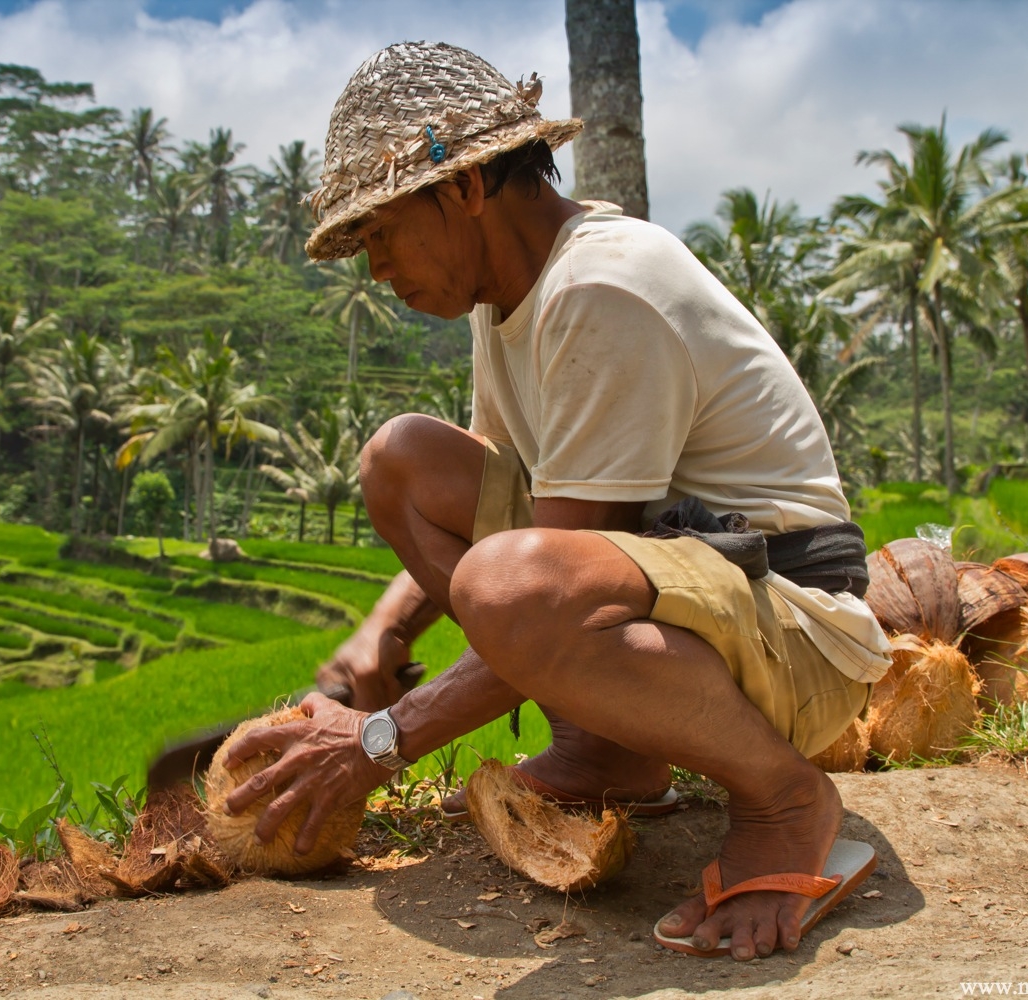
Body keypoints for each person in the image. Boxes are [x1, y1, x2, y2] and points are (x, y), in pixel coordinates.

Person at [221, 40, 892, 962]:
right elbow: (515, 502)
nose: (376, 266)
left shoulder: (604, 286)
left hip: (798, 633)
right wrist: (383, 637)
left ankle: (783, 801)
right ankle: (611, 748)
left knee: (514, 586)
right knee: (403, 462)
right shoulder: (506, 298)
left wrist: (379, 740)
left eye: (382, 231)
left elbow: (540, 580)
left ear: (462, 191)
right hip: (690, 596)